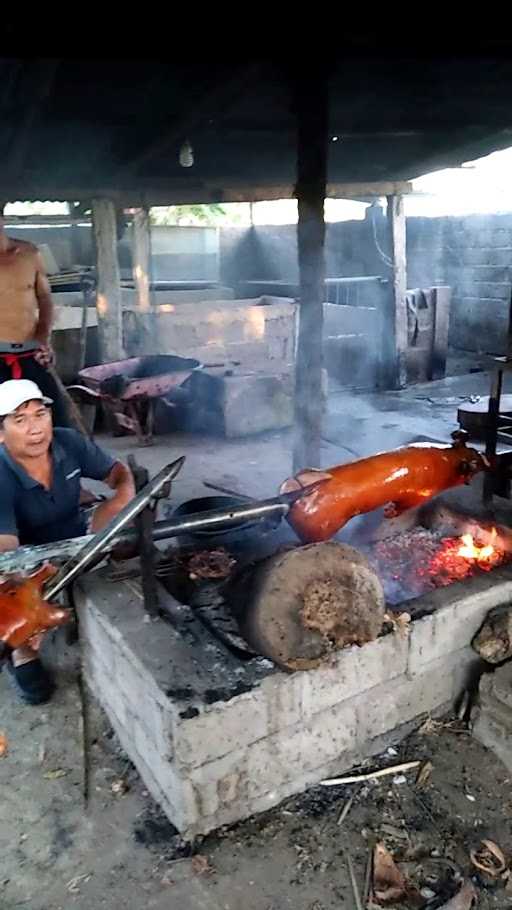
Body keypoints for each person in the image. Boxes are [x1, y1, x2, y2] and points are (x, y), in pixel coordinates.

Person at [0, 379, 135, 704]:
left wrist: (121, 499)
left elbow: (117, 472)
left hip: (72, 531)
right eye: (20, 420)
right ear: (1, 433)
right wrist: (24, 595)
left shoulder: (67, 442)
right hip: (25, 553)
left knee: (131, 528)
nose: (35, 429)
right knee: (12, 591)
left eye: (40, 414)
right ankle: (21, 651)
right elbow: (7, 551)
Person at [0, 204, 71, 426]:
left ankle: (64, 461)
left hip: (32, 352)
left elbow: (45, 299)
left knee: (57, 420)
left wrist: (43, 338)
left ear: (2, 219)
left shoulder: (30, 254)